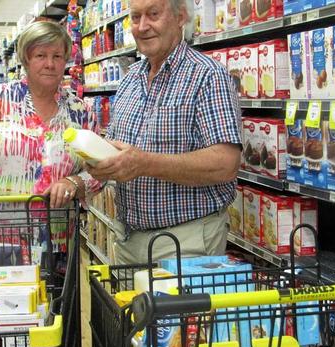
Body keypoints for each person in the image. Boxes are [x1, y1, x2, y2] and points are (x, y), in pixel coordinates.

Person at [87, 0, 242, 264]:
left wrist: (144, 163)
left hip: (186, 244)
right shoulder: (130, 79)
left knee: (179, 308)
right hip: (128, 241)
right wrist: (94, 166)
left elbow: (226, 163)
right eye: (135, 18)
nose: (143, 26)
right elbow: (117, 151)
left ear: (180, 16)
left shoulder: (207, 75)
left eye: (153, 14)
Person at [0, 20, 100, 211]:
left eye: (57, 56)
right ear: (26, 59)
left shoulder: (81, 113)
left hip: (57, 233)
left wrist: (74, 183)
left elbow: (100, 171)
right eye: (40, 55)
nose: (50, 64)